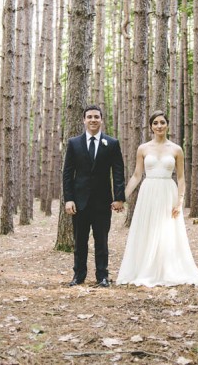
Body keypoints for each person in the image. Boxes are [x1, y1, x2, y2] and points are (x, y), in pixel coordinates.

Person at [116, 110, 198, 287]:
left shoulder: (176, 149)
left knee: (167, 231)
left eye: (162, 122)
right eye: (155, 123)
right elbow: (137, 175)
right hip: (148, 191)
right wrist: (122, 197)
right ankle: (145, 269)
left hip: (168, 191)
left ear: (167, 125)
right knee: (148, 229)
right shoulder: (143, 148)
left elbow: (181, 178)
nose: (159, 126)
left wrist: (180, 201)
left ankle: (166, 269)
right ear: (151, 127)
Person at [63, 105, 125, 287]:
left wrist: (119, 197)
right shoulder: (74, 143)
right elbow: (67, 173)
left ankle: (102, 276)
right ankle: (78, 275)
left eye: (96, 117)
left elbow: (118, 172)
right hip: (79, 202)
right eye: (89, 117)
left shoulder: (112, 143)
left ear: (101, 120)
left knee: (102, 241)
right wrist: (69, 199)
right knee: (80, 241)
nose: (93, 120)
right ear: (84, 120)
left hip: (103, 202)